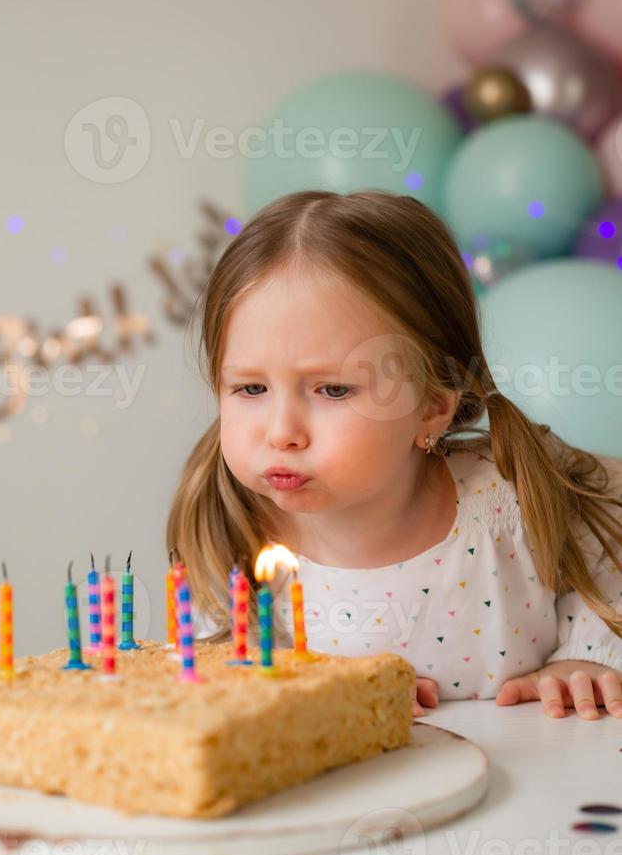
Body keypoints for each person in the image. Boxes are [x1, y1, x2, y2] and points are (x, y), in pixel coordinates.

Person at [166, 189, 622, 721]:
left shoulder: (512, 502)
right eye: (249, 389)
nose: (281, 432)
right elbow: (212, 679)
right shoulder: (227, 534)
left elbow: (606, 571)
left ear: (432, 406)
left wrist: (588, 656)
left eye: (333, 390)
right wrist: (301, 691)